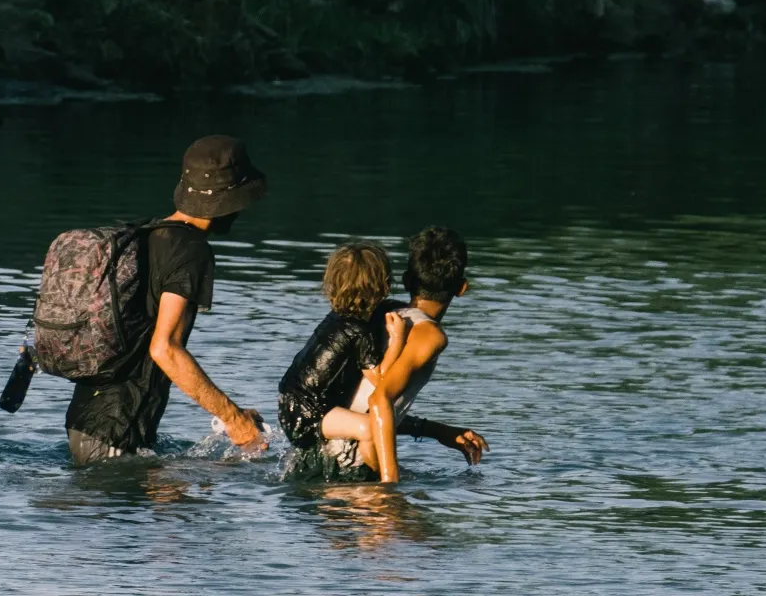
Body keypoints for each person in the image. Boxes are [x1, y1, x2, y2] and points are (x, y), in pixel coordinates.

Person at [63, 135, 269, 466]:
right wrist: (234, 419)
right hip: (117, 432)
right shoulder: (190, 250)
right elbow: (165, 348)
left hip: (86, 420)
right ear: (229, 200)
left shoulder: (146, 234)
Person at [282, 229, 488, 481]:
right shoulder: (429, 335)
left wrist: (436, 431)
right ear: (462, 288)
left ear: (405, 281)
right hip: (351, 464)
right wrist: (390, 485)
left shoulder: (379, 313)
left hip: (321, 452)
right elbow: (379, 401)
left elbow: (365, 404)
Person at [276, 239, 391, 471]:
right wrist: (397, 340)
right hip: (309, 413)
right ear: (383, 286)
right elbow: (382, 382)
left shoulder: (336, 317)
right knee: (369, 428)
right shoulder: (360, 331)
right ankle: (383, 482)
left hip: (289, 404)